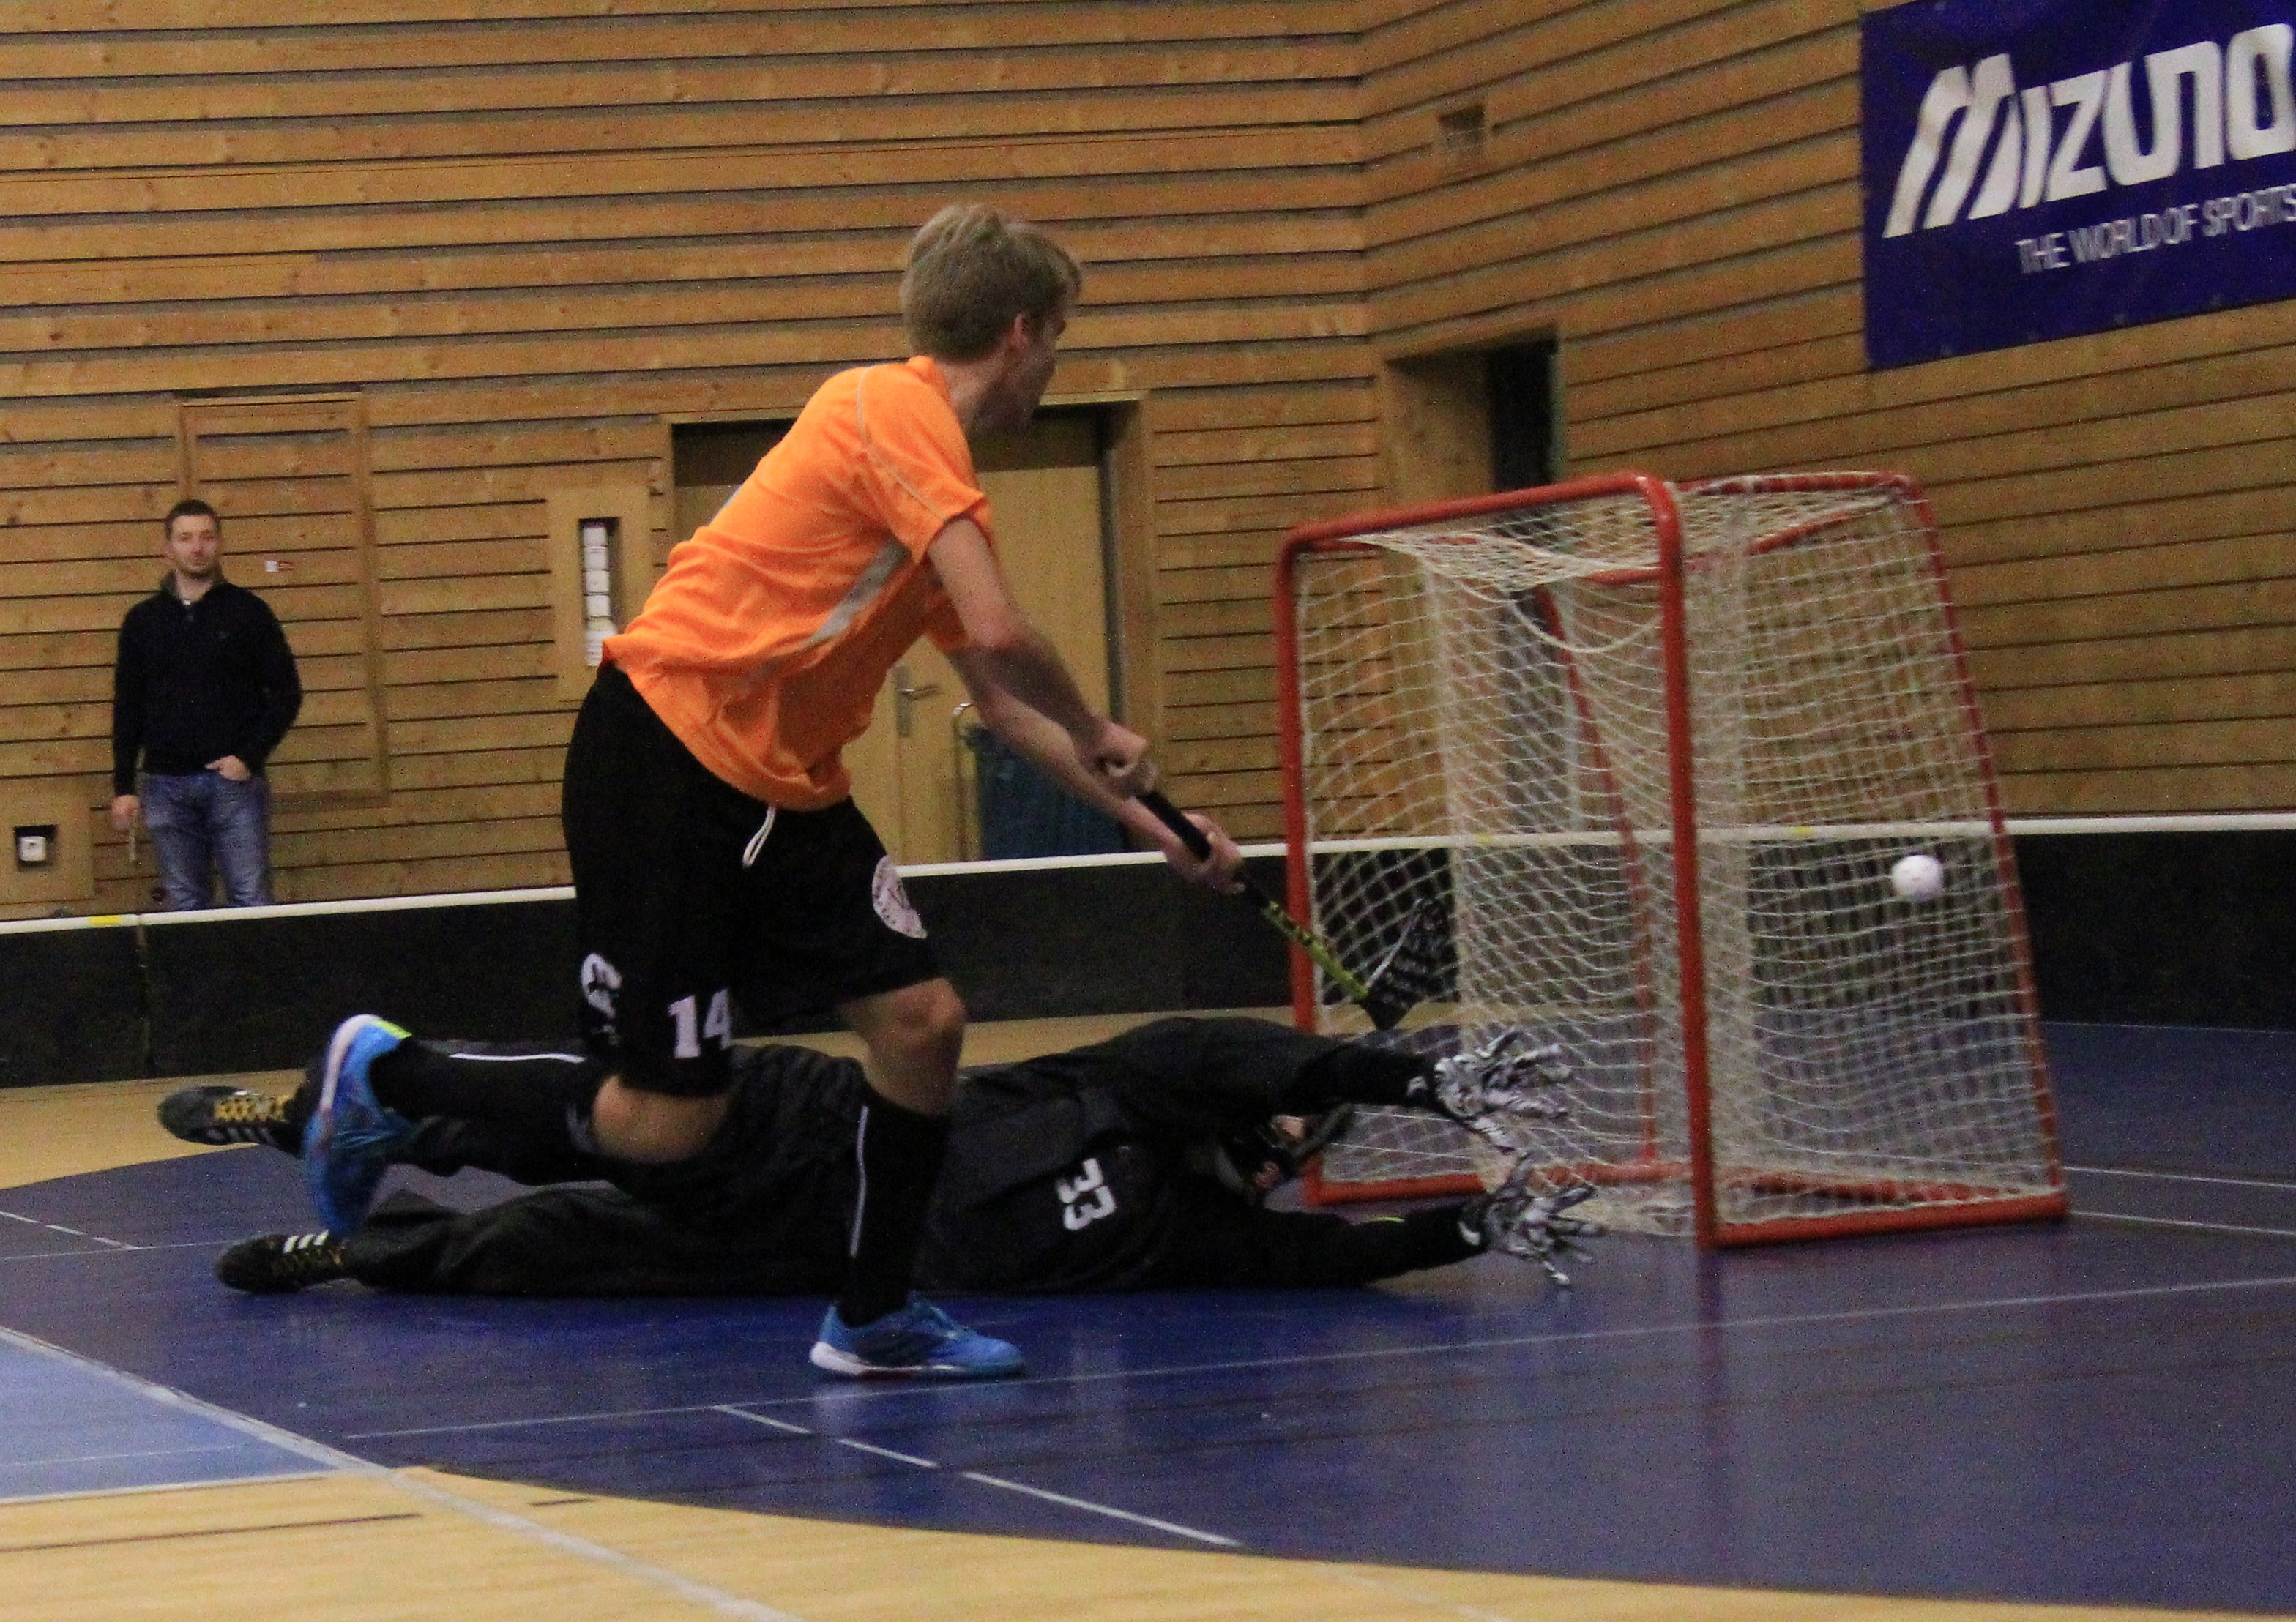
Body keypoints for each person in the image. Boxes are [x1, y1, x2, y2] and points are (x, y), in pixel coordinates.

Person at [298, 204, 1240, 1380]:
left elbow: (1003, 705)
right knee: (662, 1121)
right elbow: (1005, 633)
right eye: (1058, 338)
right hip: (667, 755)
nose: (1054, 365)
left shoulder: (929, 485)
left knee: (923, 1026)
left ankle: (874, 1314)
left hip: (784, 789)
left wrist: (1153, 827)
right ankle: (387, 1075)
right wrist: (1101, 728)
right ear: (1019, 331)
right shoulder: (890, 410)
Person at [160, 1017, 1597, 1301]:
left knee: (546, 1251)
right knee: (606, 1126)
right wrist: (1422, 1082)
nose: (1284, 1150)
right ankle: (336, 1104)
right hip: (815, 1127)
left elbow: (1331, 1260)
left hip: (820, 1256)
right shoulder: (1133, 1087)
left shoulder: (1188, 1236)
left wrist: (1471, 1229)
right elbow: (1267, 1060)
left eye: (1298, 1152)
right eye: (1287, 1127)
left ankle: (351, 1250)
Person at [108, 498, 303, 909]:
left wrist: (249, 757)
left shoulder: (249, 613)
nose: (197, 547)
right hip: (165, 785)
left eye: (206, 537)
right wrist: (124, 786)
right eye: (185, 538)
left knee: (251, 898)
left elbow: (287, 693)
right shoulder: (143, 621)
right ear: (168, 548)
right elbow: (128, 706)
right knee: (185, 906)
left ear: (220, 544)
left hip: (233, 785)